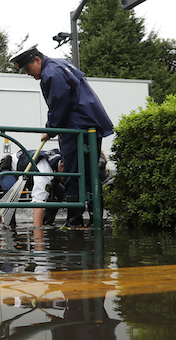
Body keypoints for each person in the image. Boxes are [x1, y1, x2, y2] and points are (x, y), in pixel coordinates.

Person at [10, 45, 113, 227]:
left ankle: (75, 224)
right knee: (91, 173)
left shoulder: (50, 74)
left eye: (28, 68)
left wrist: (50, 129)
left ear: (37, 60)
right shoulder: (60, 64)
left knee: (72, 174)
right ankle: (97, 221)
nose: (28, 73)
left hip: (76, 127)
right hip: (90, 125)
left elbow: (59, 104)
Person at [0, 148, 65, 227]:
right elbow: (38, 203)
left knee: (60, 192)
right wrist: (38, 233)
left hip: (29, 173)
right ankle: (9, 225)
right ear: (61, 167)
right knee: (12, 191)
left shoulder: (62, 159)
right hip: (9, 168)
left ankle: (47, 223)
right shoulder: (44, 170)